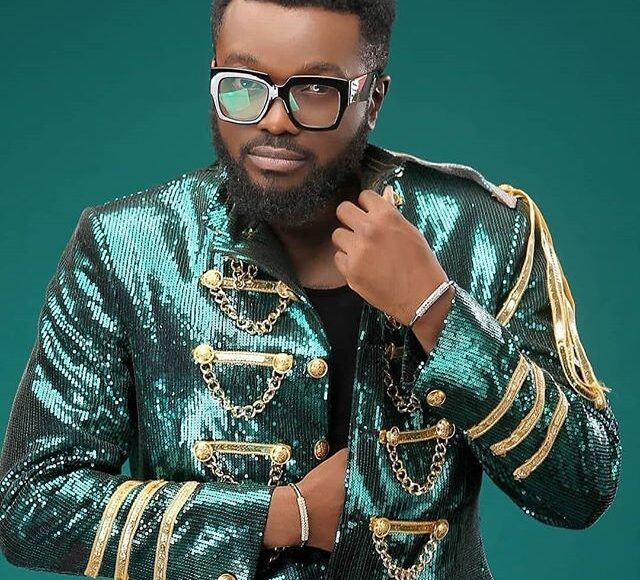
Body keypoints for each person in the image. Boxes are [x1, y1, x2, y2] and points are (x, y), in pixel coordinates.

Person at [0, 1, 621, 579]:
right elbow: (29, 504)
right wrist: (284, 515)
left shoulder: (481, 230)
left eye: (316, 90)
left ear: (373, 98)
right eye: (243, 84)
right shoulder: (125, 245)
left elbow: (582, 488)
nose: (274, 120)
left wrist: (437, 310)